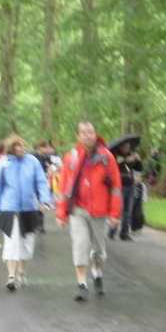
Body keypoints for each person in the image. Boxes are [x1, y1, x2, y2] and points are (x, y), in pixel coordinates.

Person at [55, 122, 122, 301]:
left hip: (100, 211)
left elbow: (116, 187)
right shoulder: (71, 157)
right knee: (80, 244)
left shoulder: (106, 157)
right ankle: (82, 284)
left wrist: (115, 213)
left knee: (99, 251)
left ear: (95, 134)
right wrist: (61, 213)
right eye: (83, 132)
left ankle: (97, 273)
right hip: (78, 210)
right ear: (78, 136)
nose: (87, 135)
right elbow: (63, 188)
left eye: (90, 132)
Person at [0, 135, 52, 291]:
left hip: (29, 208)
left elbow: (41, 182)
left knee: (26, 244)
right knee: (11, 242)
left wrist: (45, 200)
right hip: (9, 208)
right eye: (16, 146)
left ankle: (21, 271)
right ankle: (11, 276)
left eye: (22, 146)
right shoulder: (4, 164)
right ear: (11, 149)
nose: (20, 149)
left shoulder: (32, 162)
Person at [115, 143, 143, 241]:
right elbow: (117, 165)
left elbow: (138, 168)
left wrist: (138, 160)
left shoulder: (131, 155)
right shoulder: (117, 155)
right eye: (125, 146)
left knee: (128, 211)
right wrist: (127, 160)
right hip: (119, 186)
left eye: (128, 147)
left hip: (130, 185)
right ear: (121, 147)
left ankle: (124, 233)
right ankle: (112, 230)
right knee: (118, 209)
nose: (127, 148)